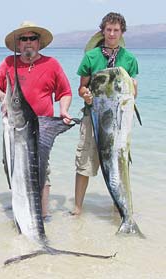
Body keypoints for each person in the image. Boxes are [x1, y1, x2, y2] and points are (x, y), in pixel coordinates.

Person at [0, 21, 73, 219]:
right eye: (23, 39)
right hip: (14, 127)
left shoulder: (52, 64)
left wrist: (64, 110)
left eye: (32, 38)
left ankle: (43, 215)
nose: (28, 42)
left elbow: (65, 92)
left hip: (42, 127)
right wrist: (4, 98)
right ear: (18, 44)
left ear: (39, 42)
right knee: (11, 165)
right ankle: (21, 205)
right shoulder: (9, 63)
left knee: (41, 168)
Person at [71, 12, 139, 215]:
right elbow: (82, 88)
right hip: (93, 117)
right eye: (108, 29)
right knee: (85, 160)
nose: (112, 33)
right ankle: (77, 207)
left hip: (120, 121)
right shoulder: (91, 57)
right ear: (103, 31)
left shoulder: (129, 59)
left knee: (120, 161)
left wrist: (134, 89)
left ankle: (120, 206)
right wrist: (86, 96)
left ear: (122, 32)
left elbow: (133, 93)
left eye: (116, 30)